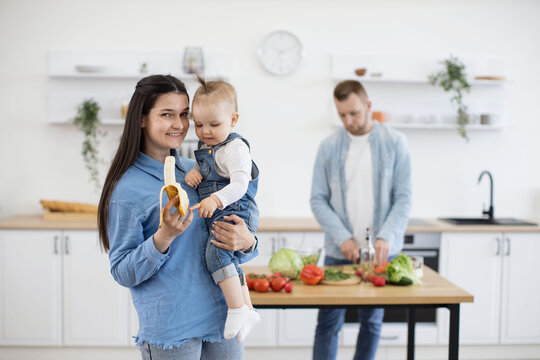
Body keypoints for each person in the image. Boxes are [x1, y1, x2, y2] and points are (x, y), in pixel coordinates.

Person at [97, 74, 258, 360]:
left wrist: (247, 242)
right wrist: (164, 237)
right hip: (172, 329)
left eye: (185, 114)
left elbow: (228, 242)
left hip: (225, 320)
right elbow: (122, 272)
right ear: (142, 119)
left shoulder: (199, 171)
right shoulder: (126, 189)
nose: (180, 125)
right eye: (167, 114)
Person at [310, 80, 412, 360]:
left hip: (379, 255)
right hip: (338, 251)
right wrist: (343, 238)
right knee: (328, 324)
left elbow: (404, 198)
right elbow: (318, 199)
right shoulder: (328, 147)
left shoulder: (395, 142)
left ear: (368, 106)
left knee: (372, 322)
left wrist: (386, 237)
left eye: (354, 113)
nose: (348, 120)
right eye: (342, 115)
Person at [185, 76, 260, 341]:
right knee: (228, 258)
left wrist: (215, 199)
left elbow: (240, 183)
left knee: (216, 254)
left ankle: (236, 307)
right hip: (223, 209)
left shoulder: (235, 147)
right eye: (199, 124)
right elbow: (209, 169)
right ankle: (248, 309)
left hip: (237, 208)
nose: (205, 131)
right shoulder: (207, 146)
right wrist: (195, 173)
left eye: (214, 124)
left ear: (234, 119)